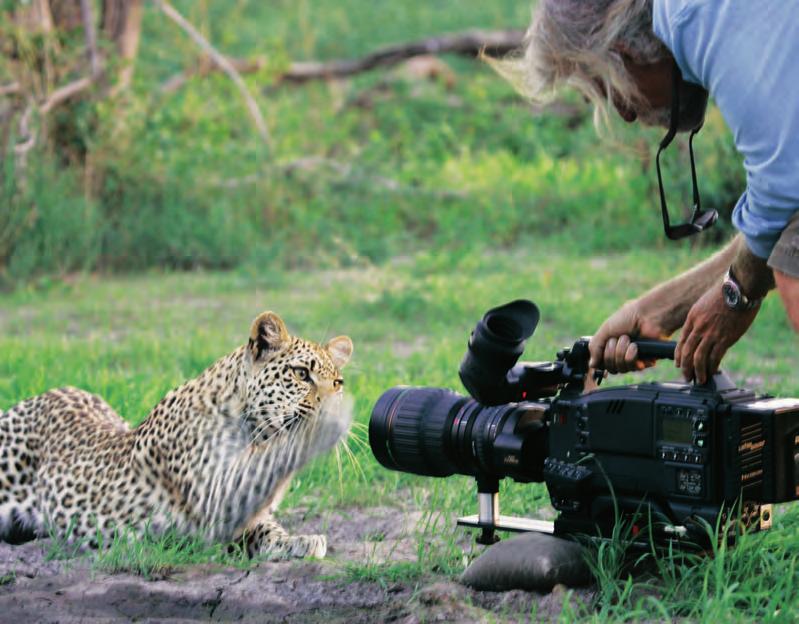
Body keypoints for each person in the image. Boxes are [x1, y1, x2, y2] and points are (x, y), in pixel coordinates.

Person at [498, 0, 799, 383]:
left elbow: (784, 190)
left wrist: (736, 296)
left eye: (609, 90)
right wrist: (660, 309)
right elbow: (776, 215)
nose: (625, 114)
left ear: (625, 54)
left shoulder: (701, 18)